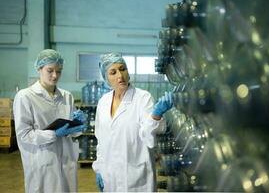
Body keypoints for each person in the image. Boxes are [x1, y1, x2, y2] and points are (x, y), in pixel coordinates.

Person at [92, 53, 173, 192]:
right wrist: (99, 168)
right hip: (109, 176)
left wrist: (155, 115)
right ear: (106, 78)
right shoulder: (103, 102)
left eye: (123, 69)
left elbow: (147, 136)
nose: (120, 75)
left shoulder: (142, 98)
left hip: (136, 178)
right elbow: (101, 139)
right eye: (113, 72)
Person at [13, 49, 87, 193]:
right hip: (42, 162)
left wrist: (77, 126)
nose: (55, 75)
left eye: (58, 71)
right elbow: (24, 134)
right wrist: (54, 134)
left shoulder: (67, 96)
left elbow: (72, 134)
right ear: (39, 69)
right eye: (50, 70)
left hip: (66, 162)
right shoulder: (25, 96)